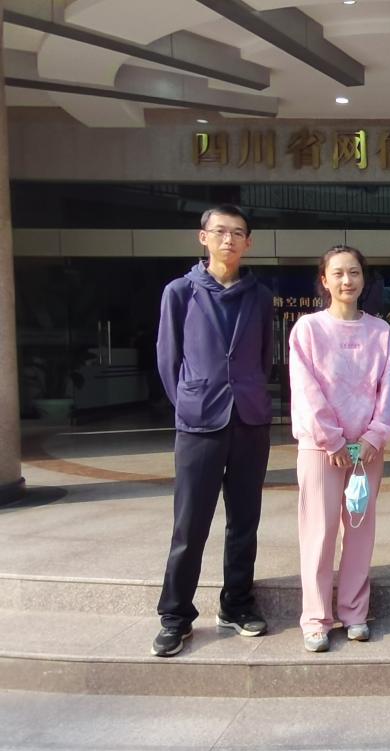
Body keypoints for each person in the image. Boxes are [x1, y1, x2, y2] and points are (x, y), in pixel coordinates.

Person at [152, 204, 274, 657]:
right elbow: (168, 359)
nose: (229, 240)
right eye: (220, 231)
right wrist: (190, 400)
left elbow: (263, 357)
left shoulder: (260, 296)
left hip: (249, 420)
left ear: (248, 242)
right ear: (202, 237)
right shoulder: (179, 292)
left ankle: (237, 603)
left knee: (244, 521)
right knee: (190, 524)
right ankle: (175, 615)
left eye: (238, 233)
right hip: (199, 421)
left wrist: (249, 393)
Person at [289, 245, 390, 652]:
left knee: (359, 530)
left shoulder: (380, 331)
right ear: (324, 280)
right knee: (318, 533)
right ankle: (316, 618)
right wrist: (332, 439)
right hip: (321, 451)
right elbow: (305, 389)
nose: (346, 280)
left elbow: (389, 388)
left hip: (366, 453)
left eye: (354, 272)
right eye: (337, 273)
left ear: (363, 279)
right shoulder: (308, 329)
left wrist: (374, 437)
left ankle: (355, 612)